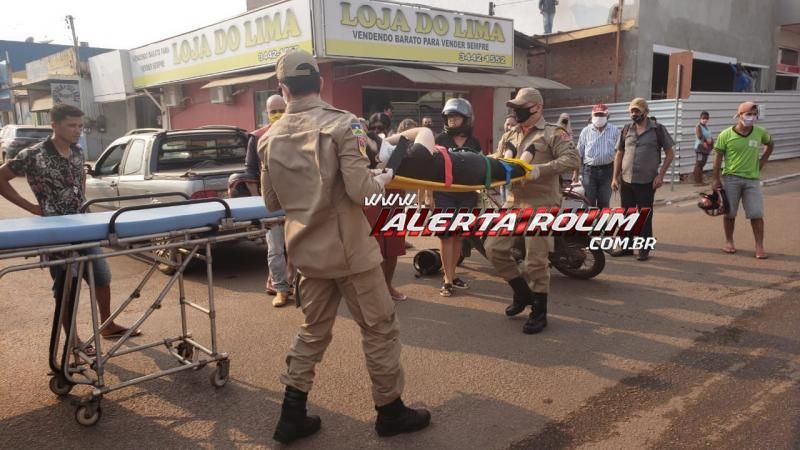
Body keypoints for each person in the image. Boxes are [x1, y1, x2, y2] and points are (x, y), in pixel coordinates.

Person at [258, 49, 430, 444]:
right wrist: (383, 177)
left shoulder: (269, 139)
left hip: (307, 253)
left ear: (282, 89)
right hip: (352, 254)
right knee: (379, 328)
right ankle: (390, 412)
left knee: (312, 332)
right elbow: (360, 190)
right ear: (319, 82)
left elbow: (272, 202)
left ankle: (291, 415)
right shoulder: (345, 126)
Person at [0, 104, 137, 352]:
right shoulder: (33, 154)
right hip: (57, 233)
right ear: (54, 125)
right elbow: (0, 178)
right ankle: (72, 340)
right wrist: (30, 207)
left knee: (102, 278)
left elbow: (79, 182)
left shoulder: (77, 151)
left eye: (80, 125)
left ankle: (107, 324)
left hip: (84, 226)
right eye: (71, 125)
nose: (77, 130)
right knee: (66, 288)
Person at [486, 88, 580, 335]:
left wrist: (540, 169)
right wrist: (479, 162)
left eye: (520, 106)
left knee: (536, 259)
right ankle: (521, 292)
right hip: (514, 202)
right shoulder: (511, 133)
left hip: (542, 203)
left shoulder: (553, 133)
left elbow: (572, 160)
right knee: (493, 248)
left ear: (536, 107)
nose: (515, 110)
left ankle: (539, 311)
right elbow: (498, 158)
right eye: (514, 106)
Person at [244, 94, 294, 307]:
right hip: (271, 203)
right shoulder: (257, 137)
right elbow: (250, 172)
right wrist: (259, 203)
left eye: (281, 109)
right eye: (273, 110)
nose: (277, 114)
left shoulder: (299, 134)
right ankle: (280, 289)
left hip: (297, 201)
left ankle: (296, 285)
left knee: (298, 248)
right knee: (275, 249)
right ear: (266, 112)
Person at [611, 98, 675, 261]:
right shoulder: (626, 129)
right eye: (632, 111)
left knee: (644, 215)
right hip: (627, 179)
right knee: (626, 214)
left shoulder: (657, 130)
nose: (634, 114)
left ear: (646, 112)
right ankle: (626, 247)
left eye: (637, 111)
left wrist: (661, 175)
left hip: (647, 181)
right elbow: (619, 154)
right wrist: (615, 177)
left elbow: (669, 154)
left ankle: (644, 249)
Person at [364, 117, 417, 302]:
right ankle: (375, 289)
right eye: (375, 127)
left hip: (394, 195)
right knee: (374, 244)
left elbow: (418, 135)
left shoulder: (393, 146)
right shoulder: (357, 144)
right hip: (371, 195)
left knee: (393, 244)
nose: (379, 129)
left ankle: (388, 285)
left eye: (383, 127)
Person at [712, 102, 773, 259]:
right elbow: (717, 157)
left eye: (754, 114)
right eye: (748, 114)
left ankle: (759, 246)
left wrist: (762, 162)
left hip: (752, 180)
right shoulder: (726, 135)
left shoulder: (760, 132)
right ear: (739, 115)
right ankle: (729, 241)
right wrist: (715, 179)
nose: (751, 117)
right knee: (730, 213)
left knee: (756, 213)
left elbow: (770, 144)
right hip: (731, 179)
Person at [434, 98, 481, 297]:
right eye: (449, 116)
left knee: (459, 236)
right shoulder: (439, 140)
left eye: (456, 116)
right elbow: (429, 169)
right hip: (444, 194)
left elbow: (481, 167)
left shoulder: (474, 142)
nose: (452, 120)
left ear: (467, 119)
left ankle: (453, 276)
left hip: (467, 195)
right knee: (446, 236)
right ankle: (447, 279)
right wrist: (428, 197)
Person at [576, 103, 619, 208]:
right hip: (589, 171)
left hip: (608, 171)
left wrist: (616, 176)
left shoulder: (615, 131)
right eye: (596, 115)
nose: (599, 117)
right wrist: (575, 173)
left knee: (604, 202)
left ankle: (602, 225)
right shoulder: (585, 131)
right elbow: (579, 153)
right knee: (588, 201)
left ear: (607, 116)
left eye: (602, 115)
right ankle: (589, 224)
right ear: (592, 116)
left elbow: (619, 153)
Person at [693, 111, 713, 186]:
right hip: (700, 148)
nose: (705, 120)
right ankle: (697, 181)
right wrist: (704, 141)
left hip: (705, 149)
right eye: (703, 118)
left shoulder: (706, 127)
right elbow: (699, 135)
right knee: (699, 164)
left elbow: (709, 137)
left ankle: (700, 180)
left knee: (702, 164)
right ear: (700, 118)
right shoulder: (698, 126)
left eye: (706, 118)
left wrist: (711, 143)